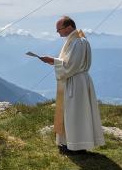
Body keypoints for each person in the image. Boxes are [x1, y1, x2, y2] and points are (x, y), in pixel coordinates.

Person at [38, 16, 105, 154]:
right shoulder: (76, 40)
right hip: (76, 80)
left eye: (59, 29)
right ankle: (69, 142)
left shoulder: (78, 42)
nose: (58, 33)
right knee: (72, 113)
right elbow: (69, 62)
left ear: (69, 27)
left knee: (75, 114)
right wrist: (54, 61)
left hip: (76, 82)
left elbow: (71, 66)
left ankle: (77, 146)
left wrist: (53, 60)